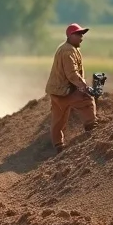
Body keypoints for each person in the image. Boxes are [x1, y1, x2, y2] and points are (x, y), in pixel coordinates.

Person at [45, 23, 98, 152]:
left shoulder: (66, 48)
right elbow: (72, 74)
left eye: (82, 34)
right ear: (70, 36)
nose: (82, 37)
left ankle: (58, 145)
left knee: (58, 119)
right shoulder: (68, 50)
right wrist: (85, 88)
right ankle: (92, 127)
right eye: (79, 34)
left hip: (55, 91)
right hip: (65, 91)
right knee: (87, 99)